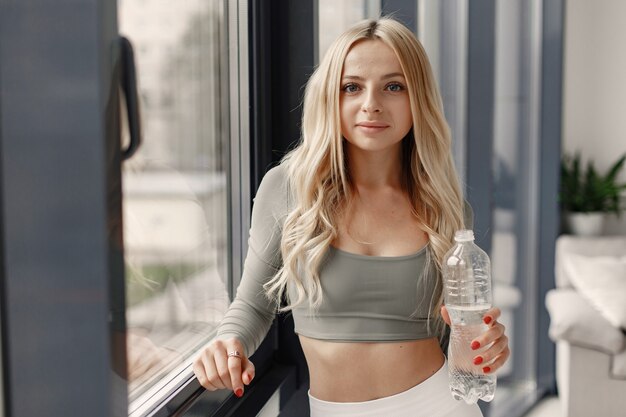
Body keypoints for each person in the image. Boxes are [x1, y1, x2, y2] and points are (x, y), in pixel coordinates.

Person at [193, 18, 510, 416]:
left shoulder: (444, 204)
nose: (371, 103)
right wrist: (227, 342)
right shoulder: (288, 189)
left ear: (418, 99)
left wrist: (484, 348)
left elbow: (459, 337)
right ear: (331, 96)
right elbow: (254, 306)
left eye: (394, 86)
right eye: (352, 87)